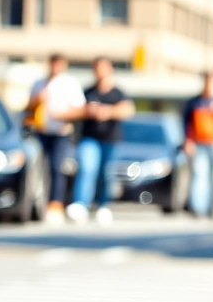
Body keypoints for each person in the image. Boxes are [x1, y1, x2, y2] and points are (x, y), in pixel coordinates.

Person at [69, 57, 134, 224]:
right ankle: (80, 204)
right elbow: (73, 110)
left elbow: (128, 110)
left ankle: (103, 205)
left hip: (109, 139)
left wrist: (108, 111)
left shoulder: (117, 93)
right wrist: (88, 111)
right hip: (89, 138)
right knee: (86, 168)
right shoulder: (88, 91)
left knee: (106, 173)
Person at [25, 54, 84, 223]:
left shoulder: (69, 84)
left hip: (61, 131)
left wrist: (63, 115)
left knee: (57, 167)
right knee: (40, 167)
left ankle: (55, 204)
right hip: (41, 131)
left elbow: (80, 109)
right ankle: (39, 203)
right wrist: (38, 99)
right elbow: (28, 106)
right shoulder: (39, 83)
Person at [180, 72, 213, 220]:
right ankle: (197, 208)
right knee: (199, 175)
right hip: (199, 143)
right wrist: (187, 140)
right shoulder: (195, 102)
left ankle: (211, 208)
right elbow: (185, 123)